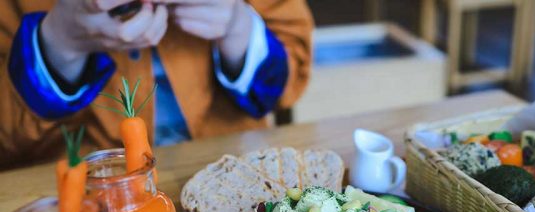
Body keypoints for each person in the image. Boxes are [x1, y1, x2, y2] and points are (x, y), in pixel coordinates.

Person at [0, 0, 313, 169]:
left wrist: (237, 25)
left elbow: (292, 75)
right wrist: (59, 42)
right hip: (83, 190)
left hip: (229, 168)